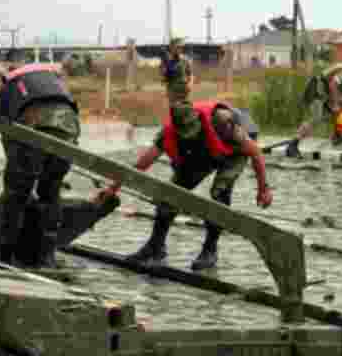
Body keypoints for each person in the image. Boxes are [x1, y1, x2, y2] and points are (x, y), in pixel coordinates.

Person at [99, 100, 274, 270]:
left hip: (233, 153)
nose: (188, 134)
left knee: (219, 193)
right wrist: (112, 188)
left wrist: (263, 189)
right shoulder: (168, 133)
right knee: (169, 197)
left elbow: (255, 152)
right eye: (184, 132)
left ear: (198, 119)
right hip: (203, 153)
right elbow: (141, 165)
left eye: (191, 130)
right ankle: (155, 247)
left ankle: (209, 250)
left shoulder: (223, 122)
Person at [0, 63, 81, 267]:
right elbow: (74, 116)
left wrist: (19, 178)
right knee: (51, 191)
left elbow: (7, 133)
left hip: (32, 124)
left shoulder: (8, 88)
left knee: (16, 196)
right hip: (68, 128)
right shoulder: (53, 80)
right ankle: (47, 256)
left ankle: (6, 256)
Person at [285, 59, 342, 157]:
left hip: (325, 91)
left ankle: (338, 135)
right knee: (316, 118)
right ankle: (292, 145)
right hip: (316, 89)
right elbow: (333, 84)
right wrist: (334, 104)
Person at [162, 37, 200, 138]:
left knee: (187, 111)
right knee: (174, 112)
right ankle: (175, 133)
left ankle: (189, 132)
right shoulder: (167, 61)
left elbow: (191, 74)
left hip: (185, 90)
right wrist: (167, 69)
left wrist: (190, 84)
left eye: (180, 47)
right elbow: (165, 78)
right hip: (173, 90)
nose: (179, 49)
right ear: (172, 48)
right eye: (176, 47)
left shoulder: (185, 60)